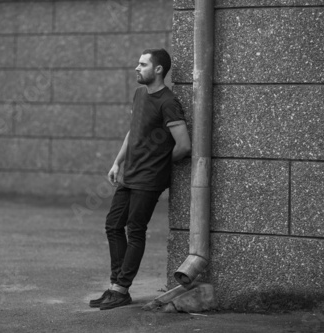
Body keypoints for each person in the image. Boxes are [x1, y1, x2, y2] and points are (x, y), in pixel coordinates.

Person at [89, 48, 191, 310]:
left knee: (135, 230)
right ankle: (116, 286)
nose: (137, 67)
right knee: (113, 225)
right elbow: (132, 131)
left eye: (143, 64)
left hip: (149, 180)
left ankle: (121, 289)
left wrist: (158, 162)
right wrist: (117, 161)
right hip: (129, 173)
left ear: (158, 70)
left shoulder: (168, 102)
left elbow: (183, 145)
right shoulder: (140, 94)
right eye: (138, 62)